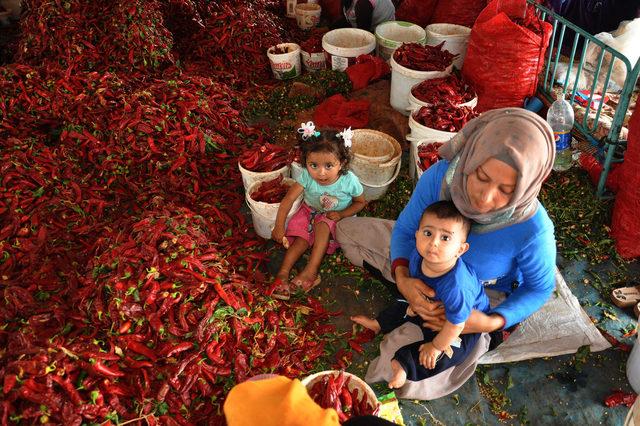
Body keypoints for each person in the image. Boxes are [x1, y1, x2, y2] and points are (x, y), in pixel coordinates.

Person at [337, 107, 556, 359]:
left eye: (506, 190)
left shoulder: (533, 229)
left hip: (475, 300)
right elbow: (407, 230)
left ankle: (426, 322)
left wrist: (490, 322)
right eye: (481, 176)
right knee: (347, 231)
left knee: (405, 367)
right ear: (471, 158)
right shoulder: (442, 178)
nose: (485, 198)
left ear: (527, 187)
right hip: (425, 258)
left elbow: (539, 288)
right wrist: (403, 278)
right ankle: (411, 297)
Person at [351, 200, 490, 389]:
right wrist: (413, 304)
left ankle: (406, 365)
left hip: (462, 323)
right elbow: (411, 288)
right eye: (427, 233)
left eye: (445, 238)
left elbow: (456, 325)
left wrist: (436, 345)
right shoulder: (417, 256)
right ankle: (379, 324)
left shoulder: (457, 287)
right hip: (428, 303)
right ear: (417, 235)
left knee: (451, 351)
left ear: (461, 249)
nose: (433, 243)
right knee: (402, 301)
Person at [271, 122, 366, 299]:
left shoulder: (348, 180)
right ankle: (283, 273)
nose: (321, 173)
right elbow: (288, 200)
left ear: (342, 163)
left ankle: (311, 271)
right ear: (305, 162)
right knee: (300, 240)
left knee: (322, 225)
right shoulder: (306, 177)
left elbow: (360, 202)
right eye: (313, 165)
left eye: (329, 166)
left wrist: (342, 214)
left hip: (336, 216)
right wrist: (279, 226)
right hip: (310, 211)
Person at [331, 0, 395, 32]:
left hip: (382, 33)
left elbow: (363, 35)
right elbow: (346, 19)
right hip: (364, 26)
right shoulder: (347, 2)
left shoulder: (363, 4)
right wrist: (327, 28)